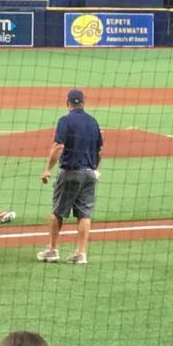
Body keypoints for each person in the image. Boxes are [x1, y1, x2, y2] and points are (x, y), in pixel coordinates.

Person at [38, 87, 101, 265]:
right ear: (82, 102)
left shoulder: (65, 120)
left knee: (57, 212)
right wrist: (95, 169)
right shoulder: (93, 122)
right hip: (89, 174)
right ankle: (81, 253)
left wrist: (48, 170)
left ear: (68, 103)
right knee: (84, 215)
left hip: (70, 173)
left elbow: (58, 146)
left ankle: (52, 250)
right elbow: (99, 150)